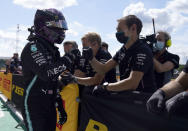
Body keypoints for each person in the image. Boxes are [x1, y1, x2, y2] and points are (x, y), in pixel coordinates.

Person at [21, 8, 74, 131]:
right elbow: (46, 73)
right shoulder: (33, 47)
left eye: (62, 27)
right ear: (43, 27)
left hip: (49, 105)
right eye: (57, 27)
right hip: (34, 106)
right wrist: (69, 58)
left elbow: (53, 80)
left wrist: (59, 104)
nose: (61, 31)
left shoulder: (52, 50)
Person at [81, 15, 157, 93]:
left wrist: (105, 87)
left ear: (133, 28)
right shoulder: (123, 50)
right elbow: (103, 69)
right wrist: (91, 58)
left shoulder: (142, 50)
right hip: (128, 97)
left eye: (119, 30)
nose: (117, 33)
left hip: (143, 98)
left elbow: (132, 83)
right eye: (117, 30)